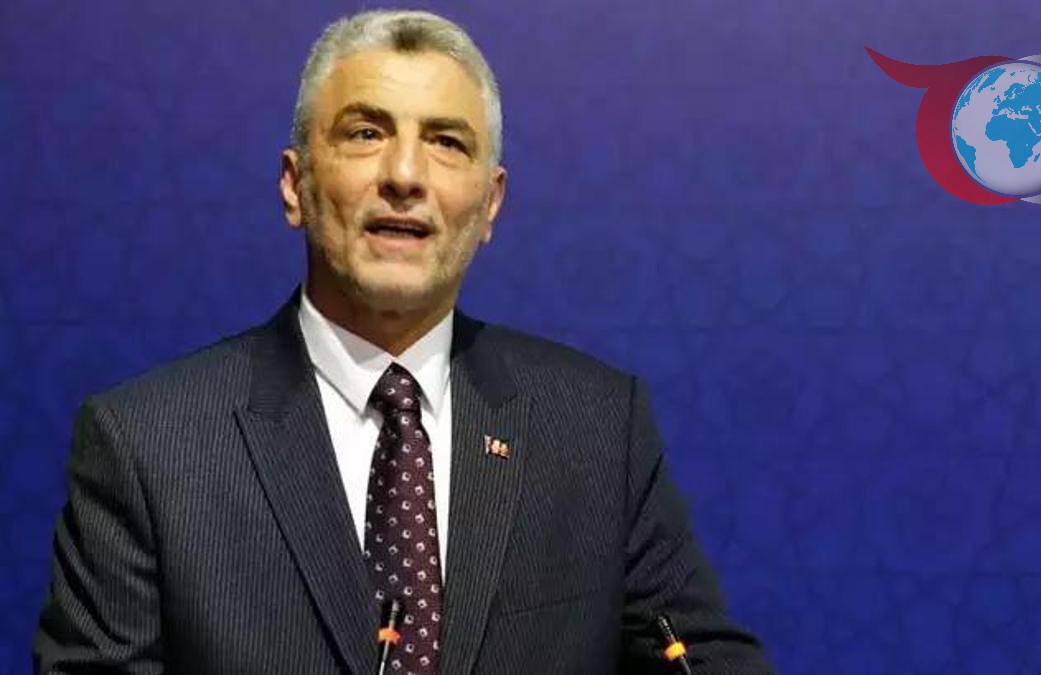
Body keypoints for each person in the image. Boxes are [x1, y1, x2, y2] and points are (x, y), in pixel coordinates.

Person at [33, 9, 772, 674]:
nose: (405, 175)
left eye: (446, 142)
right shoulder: (149, 446)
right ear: (294, 184)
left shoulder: (596, 429)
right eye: (366, 133)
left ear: (490, 204)